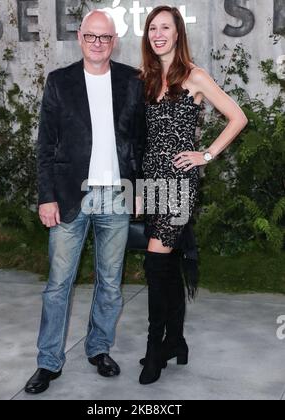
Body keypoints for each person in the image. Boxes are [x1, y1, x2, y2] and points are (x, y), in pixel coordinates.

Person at [25, 10, 146, 394]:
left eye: (105, 38)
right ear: (80, 38)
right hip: (69, 196)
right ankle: (48, 362)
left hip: (116, 198)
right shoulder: (60, 82)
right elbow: (45, 146)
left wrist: (140, 189)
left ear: (114, 41)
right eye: (91, 36)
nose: (98, 43)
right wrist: (46, 197)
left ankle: (98, 349)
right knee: (58, 284)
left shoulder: (131, 81)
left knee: (110, 284)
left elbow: (140, 143)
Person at [138, 5, 248, 385]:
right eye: (153, 28)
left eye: (165, 27)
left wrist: (206, 154)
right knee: (166, 268)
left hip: (180, 184)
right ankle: (177, 341)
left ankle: (155, 348)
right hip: (150, 182)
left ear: (177, 33)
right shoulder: (148, 78)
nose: (158, 34)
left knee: (155, 265)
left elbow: (238, 117)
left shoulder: (195, 75)